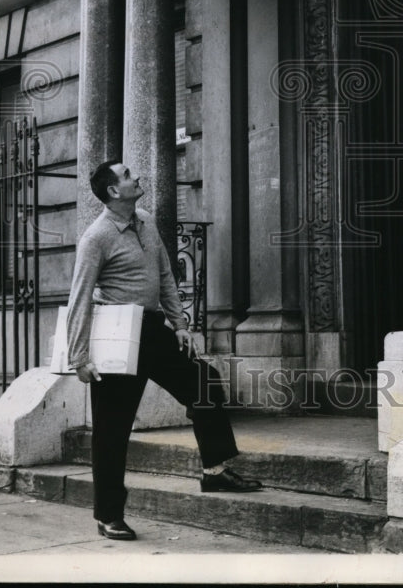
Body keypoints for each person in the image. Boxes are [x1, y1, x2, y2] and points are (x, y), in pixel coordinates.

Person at [67, 159, 261, 541]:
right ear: (112, 191)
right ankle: (109, 514)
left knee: (204, 381)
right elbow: (80, 296)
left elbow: (165, 275)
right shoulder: (96, 237)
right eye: (126, 176)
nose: (135, 177)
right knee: (112, 429)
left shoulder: (144, 220)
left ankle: (215, 470)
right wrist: (78, 357)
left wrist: (182, 324)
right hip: (117, 335)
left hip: (153, 329)